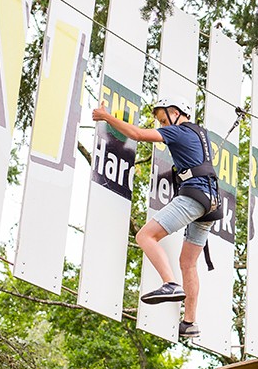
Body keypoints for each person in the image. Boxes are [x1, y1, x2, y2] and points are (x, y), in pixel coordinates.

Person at [92, 95, 220, 339]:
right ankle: (190, 322)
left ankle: (170, 283)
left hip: (194, 197)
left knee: (145, 236)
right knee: (188, 262)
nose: (162, 126)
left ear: (176, 113)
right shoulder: (198, 134)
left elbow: (138, 134)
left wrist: (106, 117)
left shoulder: (179, 131)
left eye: (163, 120)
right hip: (211, 203)